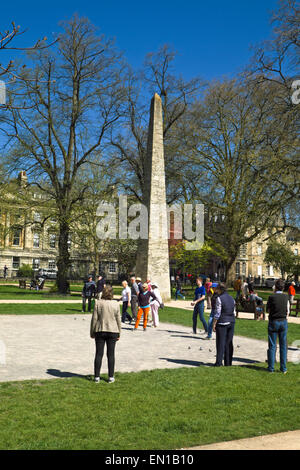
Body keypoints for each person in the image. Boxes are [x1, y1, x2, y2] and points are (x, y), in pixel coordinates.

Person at [90, 285, 121, 383]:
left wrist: (92, 331)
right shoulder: (115, 304)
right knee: (111, 354)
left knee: (99, 354)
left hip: (100, 330)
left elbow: (94, 319)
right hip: (113, 331)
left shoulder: (98, 303)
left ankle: (97, 377)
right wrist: (119, 332)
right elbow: (118, 319)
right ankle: (111, 377)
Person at [266, 279, 289, 374]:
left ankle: (271, 368)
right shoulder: (286, 297)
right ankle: (283, 368)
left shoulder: (271, 297)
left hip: (274, 321)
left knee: (272, 345)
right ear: (283, 287)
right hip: (283, 321)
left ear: (275, 287)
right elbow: (287, 310)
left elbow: (268, 310)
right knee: (283, 345)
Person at [212, 283, 236, 367]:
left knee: (220, 343)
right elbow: (234, 312)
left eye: (217, 289)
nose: (216, 291)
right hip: (231, 321)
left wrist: (214, 323)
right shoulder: (232, 298)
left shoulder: (219, 298)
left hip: (222, 322)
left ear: (220, 289)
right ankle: (228, 362)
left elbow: (217, 313)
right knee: (229, 343)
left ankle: (218, 362)